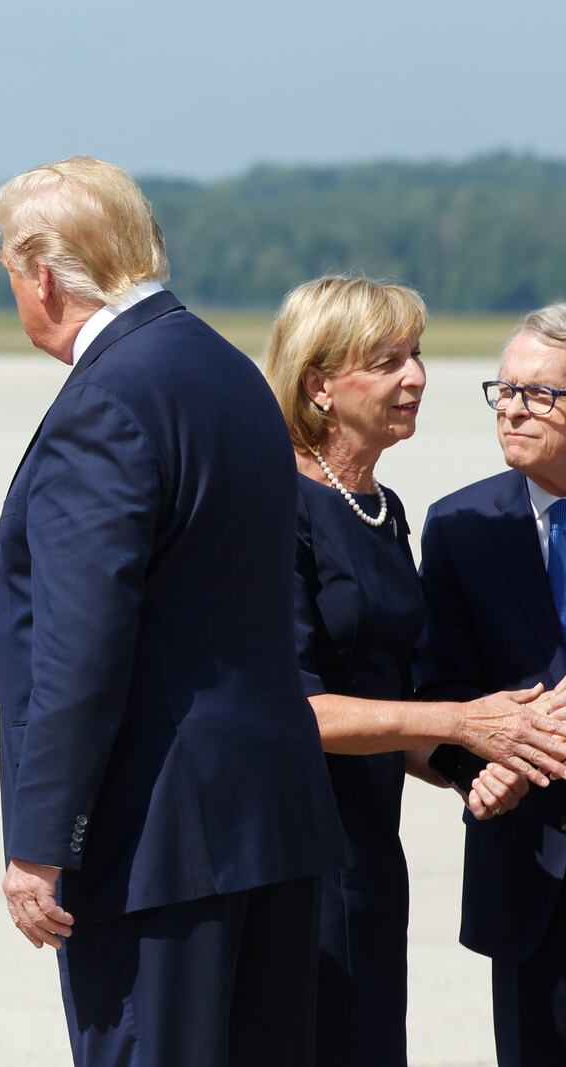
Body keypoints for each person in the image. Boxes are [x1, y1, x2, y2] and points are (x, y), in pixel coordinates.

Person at [0, 156, 346, 1067]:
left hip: (158, 846)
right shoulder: (224, 371)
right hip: (265, 825)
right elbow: (186, 582)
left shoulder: (105, 400)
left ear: (45, 275)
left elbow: (84, 646)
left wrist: (41, 842)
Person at [263, 276, 563, 1066]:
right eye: (389, 360)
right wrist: (466, 725)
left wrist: (477, 764)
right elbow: (298, 710)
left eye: (418, 354)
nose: (417, 377)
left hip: (369, 857)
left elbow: (403, 700)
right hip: (296, 859)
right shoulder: (271, 506)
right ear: (318, 383)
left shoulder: (382, 509)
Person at [417, 302, 566, 1066]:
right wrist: (481, 772)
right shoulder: (459, 525)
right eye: (502, 389)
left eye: (539, 393)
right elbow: (438, 691)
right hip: (529, 875)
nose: (511, 406)